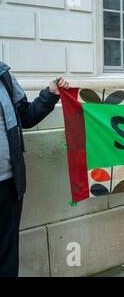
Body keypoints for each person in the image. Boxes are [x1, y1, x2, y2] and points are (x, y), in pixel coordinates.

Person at [0, 61, 69, 276]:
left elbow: (26, 117)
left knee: (6, 255)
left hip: (7, 184)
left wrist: (51, 93)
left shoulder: (5, 77)